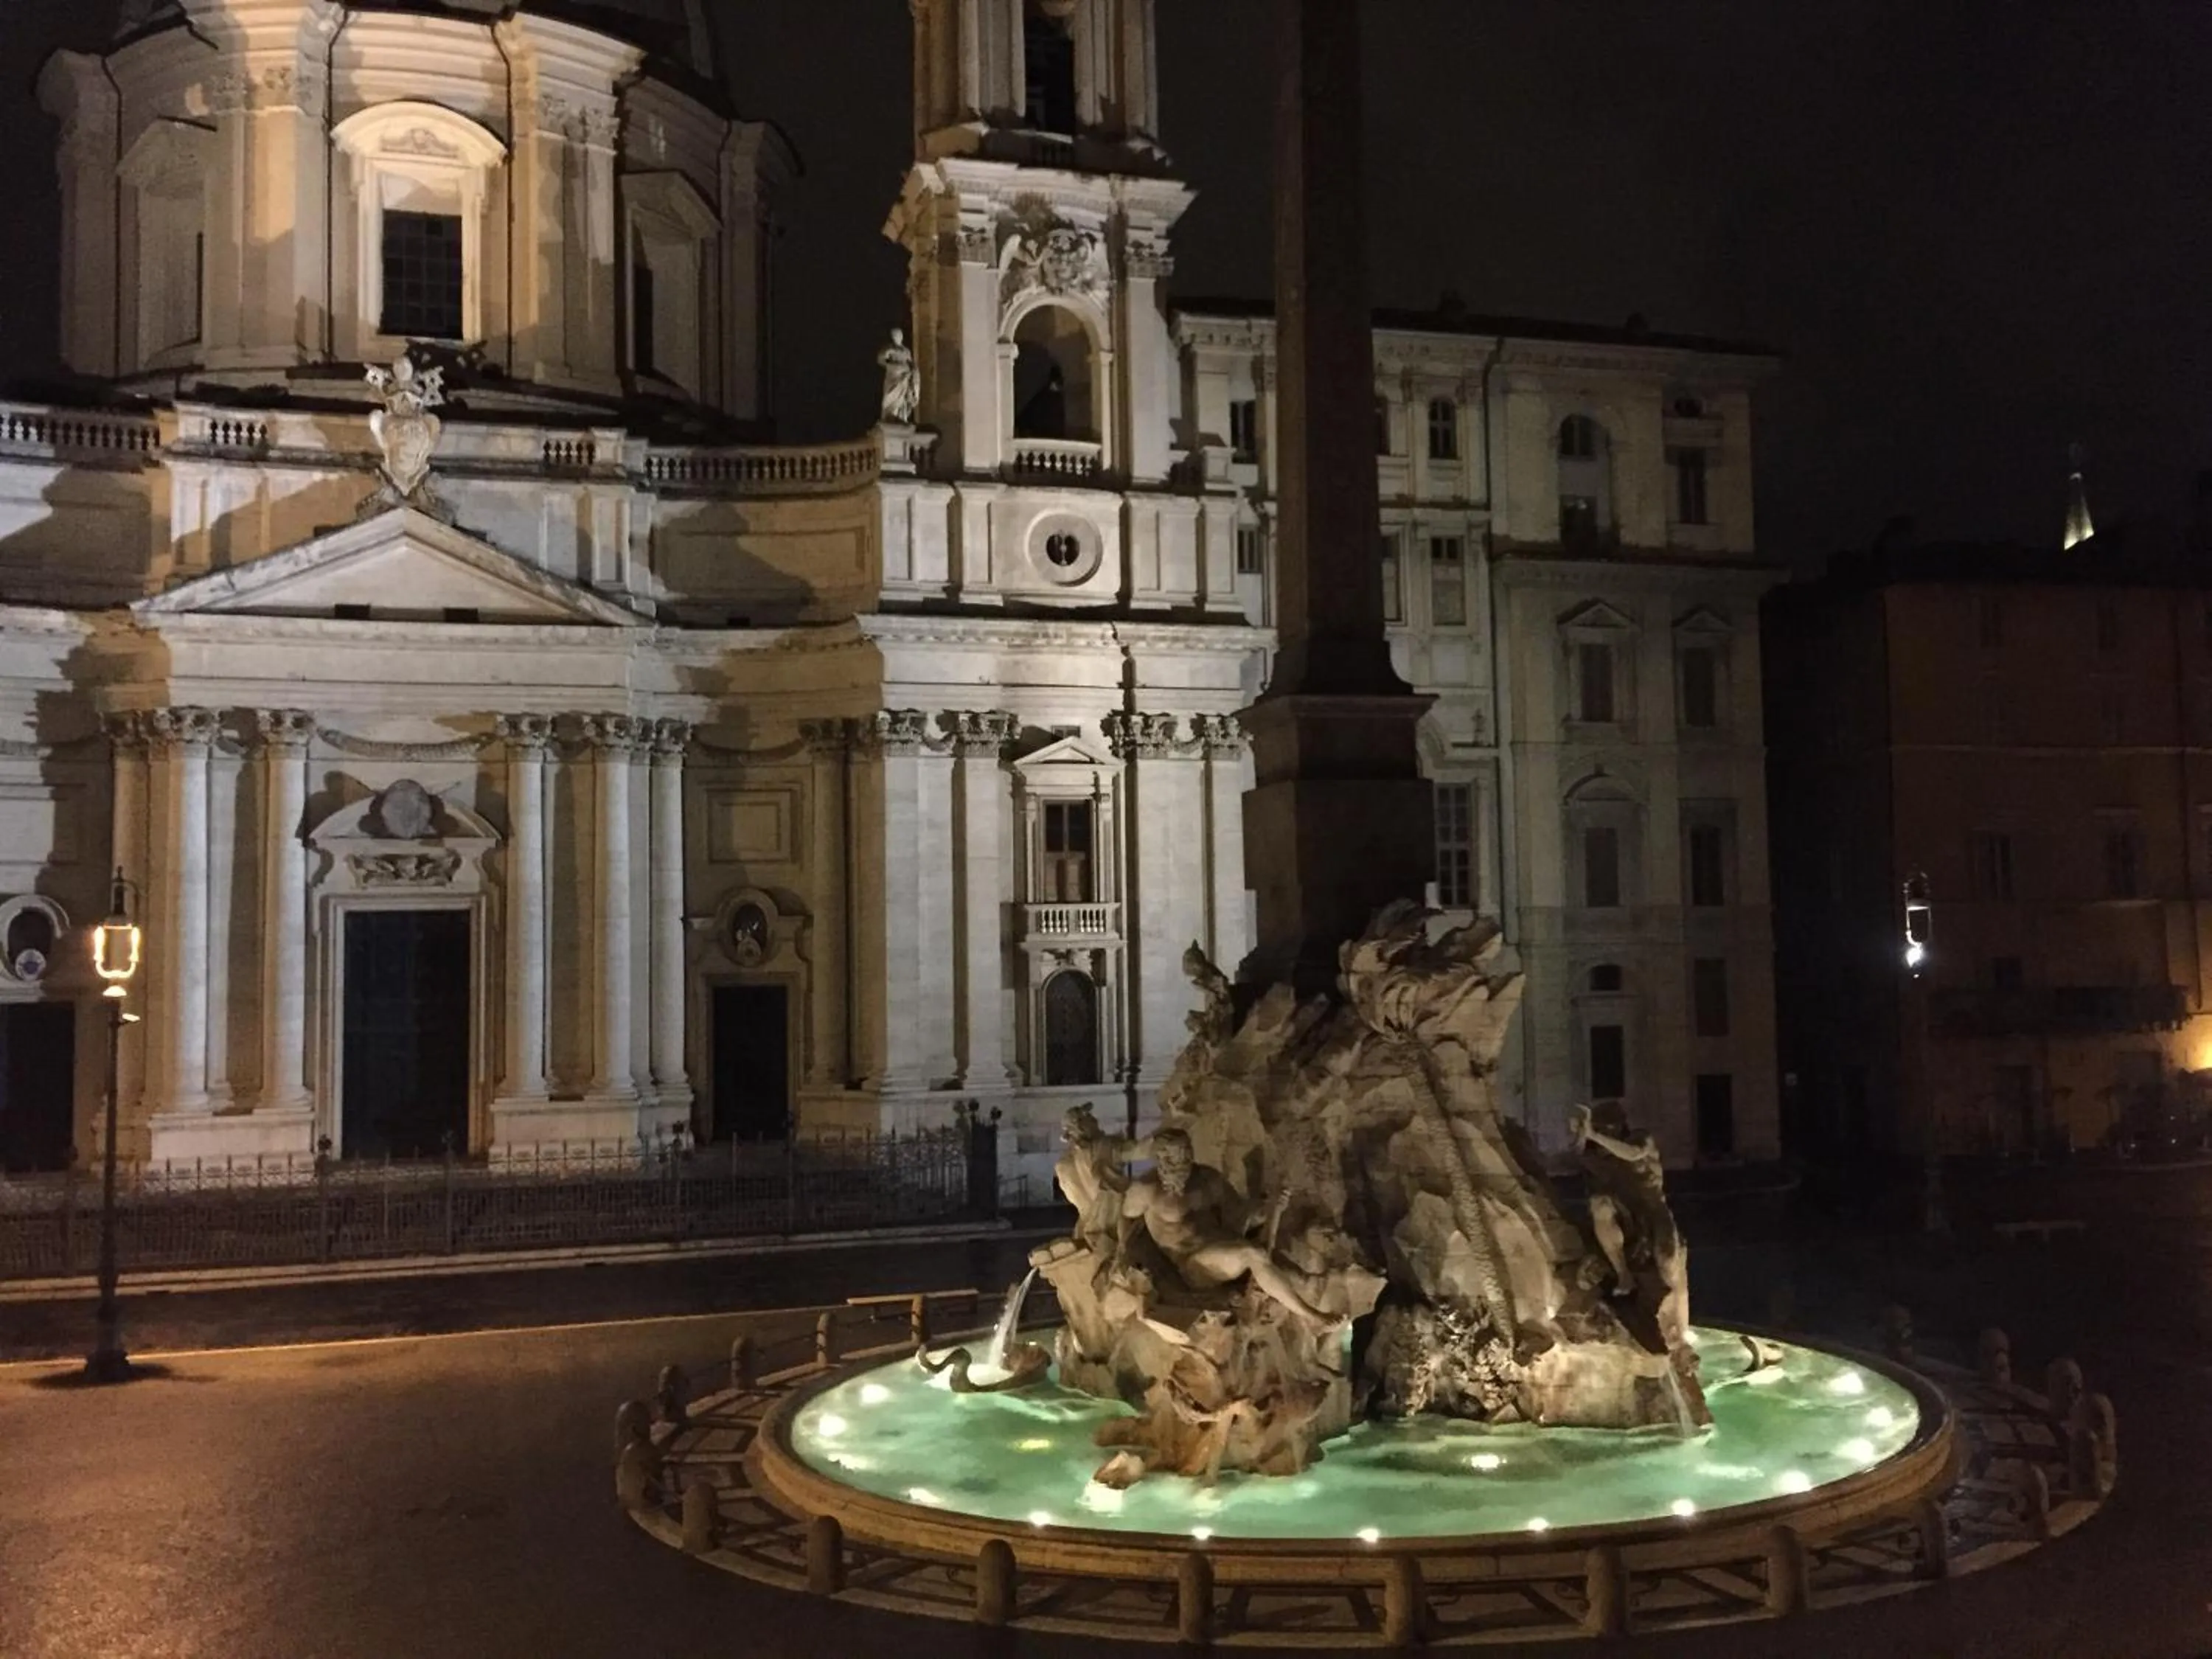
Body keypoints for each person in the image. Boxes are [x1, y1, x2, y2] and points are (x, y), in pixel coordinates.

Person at [1119, 1128, 1338, 1329]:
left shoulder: (1207, 1178)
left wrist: (1271, 1207)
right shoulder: (1145, 1190)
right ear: (1162, 1158)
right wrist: (1125, 1258)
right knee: (1253, 1253)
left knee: (1274, 1262)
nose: (1186, 1160)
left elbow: (1239, 1214)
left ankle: (1306, 1306)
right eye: (1179, 1155)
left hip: (1225, 1245)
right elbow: (1126, 1223)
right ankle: (1310, 1315)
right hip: (1193, 1265)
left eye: (1188, 1153)